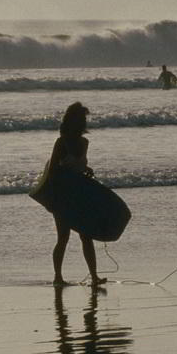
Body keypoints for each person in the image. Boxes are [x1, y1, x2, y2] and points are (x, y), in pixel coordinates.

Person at [46, 102, 105, 287]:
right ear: (72, 120)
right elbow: (52, 169)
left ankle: (94, 277)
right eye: (81, 118)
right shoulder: (61, 142)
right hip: (63, 195)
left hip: (79, 194)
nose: (83, 122)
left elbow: (79, 166)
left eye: (84, 119)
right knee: (63, 237)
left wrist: (86, 169)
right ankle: (58, 277)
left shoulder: (84, 142)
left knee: (86, 236)